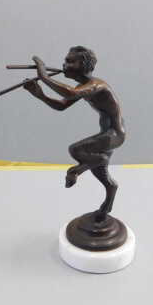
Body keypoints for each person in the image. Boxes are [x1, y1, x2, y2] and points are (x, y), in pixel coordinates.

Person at [24, 46, 126, 220]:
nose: (65, 65)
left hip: (115, 134)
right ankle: (107, 202)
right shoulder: (83, 87)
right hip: (107, 134)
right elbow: (61, 105)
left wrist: (44, 76)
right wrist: (40, 95)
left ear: (84, 65)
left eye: (70, 61)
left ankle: (78, 170)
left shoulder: (97, 85)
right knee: (99, 171)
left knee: (76, 150)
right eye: (65, 61)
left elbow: (70, 93)